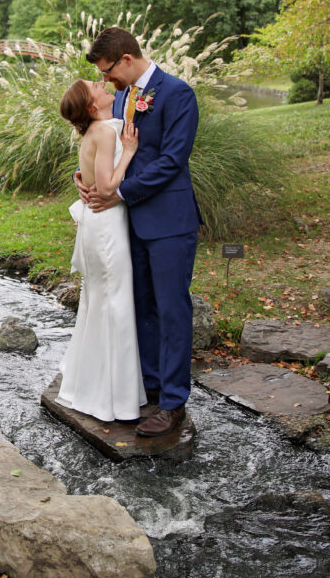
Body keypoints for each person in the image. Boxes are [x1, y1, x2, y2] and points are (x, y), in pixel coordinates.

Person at [76, 26, 201, 438]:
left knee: (171, 310)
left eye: (108, 71)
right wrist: (86, 177)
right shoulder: (127, 95)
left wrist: (119, 194)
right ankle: (148, 385)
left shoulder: (178, 94)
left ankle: (172, 402)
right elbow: (104, 144)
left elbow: (171, 161)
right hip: (131, 222)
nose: (106, 80)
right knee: (142, 306)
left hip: (169, 222)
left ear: (126, 60)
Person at [55, 78, 146, 422]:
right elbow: (107, 186)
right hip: (106, 226)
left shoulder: (97, 128)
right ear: (92, 106)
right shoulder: (106, 132)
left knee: (100, 302)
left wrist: (84, 177)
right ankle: (115, 399)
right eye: (94, 86)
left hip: (97, 225)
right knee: (115, 303)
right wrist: (130, 153)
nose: (100, 83)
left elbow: (92, 176)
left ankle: (93, 385)